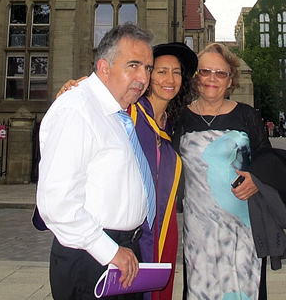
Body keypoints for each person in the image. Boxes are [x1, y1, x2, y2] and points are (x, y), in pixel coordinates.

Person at [57, 42, 198, 300]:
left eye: (176, 72)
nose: (170, 79)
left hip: (161, 234)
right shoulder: (126, 113)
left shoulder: (174, 126)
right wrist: (77, 88)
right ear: (147, 77)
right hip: (119, 239)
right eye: (161, 71)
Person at [36, 22, 155, 300]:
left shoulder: (116, 113)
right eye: (133, 66)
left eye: (147, 68)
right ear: (104, 68)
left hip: (120, 254)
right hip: (92, 258)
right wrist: (109, 250)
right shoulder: (77, 109)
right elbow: (57, 202)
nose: (143, 77)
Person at [174, 43, 271, 300]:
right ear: (196, 78)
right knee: (201, 289)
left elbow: (268, 161)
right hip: (199, 230)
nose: (212, 79)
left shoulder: (247, 116)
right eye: (205, 72)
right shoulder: (180, 118)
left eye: (221, 73)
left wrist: (258, 180)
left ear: (231, 81)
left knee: (242, 289)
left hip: (243, 228)